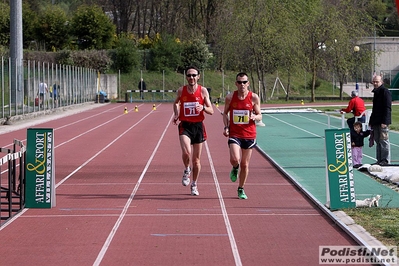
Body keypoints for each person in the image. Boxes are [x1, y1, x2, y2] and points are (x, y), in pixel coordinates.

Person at [173, 66, 214, 196]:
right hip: (185, 125)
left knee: (196, 160)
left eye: (194, 75)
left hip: (198, 127)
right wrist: (176, 114)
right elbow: (175, 103)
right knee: (186, 152)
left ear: (198, 76)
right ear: (186, 77)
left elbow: (211, 110)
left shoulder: (203, 91)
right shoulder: (181, 91)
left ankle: (194, 184)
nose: (191, 77)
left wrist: (202, 107)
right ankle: (186, 169)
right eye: (189, 75)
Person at [222, 72, 262, 199]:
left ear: (248, 83)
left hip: (249, 134)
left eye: (244, 82)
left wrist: (255, 116)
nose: (242, 85)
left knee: (245, 164)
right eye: (239, 82)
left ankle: (241, 188)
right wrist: (226, 127)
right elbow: (225, 114)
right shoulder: (230, 97)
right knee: (235, 159)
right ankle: (235, 167)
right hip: (235, 133)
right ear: (236, 84)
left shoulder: (254, 97)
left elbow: (260, 115)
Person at [369, 75, 392, 166]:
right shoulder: (376, 92)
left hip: (382, 121)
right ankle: (379, 160)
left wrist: (385, 121)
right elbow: (375, 109)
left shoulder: (385, 92)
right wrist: (371, 121)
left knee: (384, 141)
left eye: (377, 82)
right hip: (376, 121)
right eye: (374, 82)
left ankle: (385, 160)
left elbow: (387, 108)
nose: (375, 83)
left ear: (381, 82)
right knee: (378, 141)